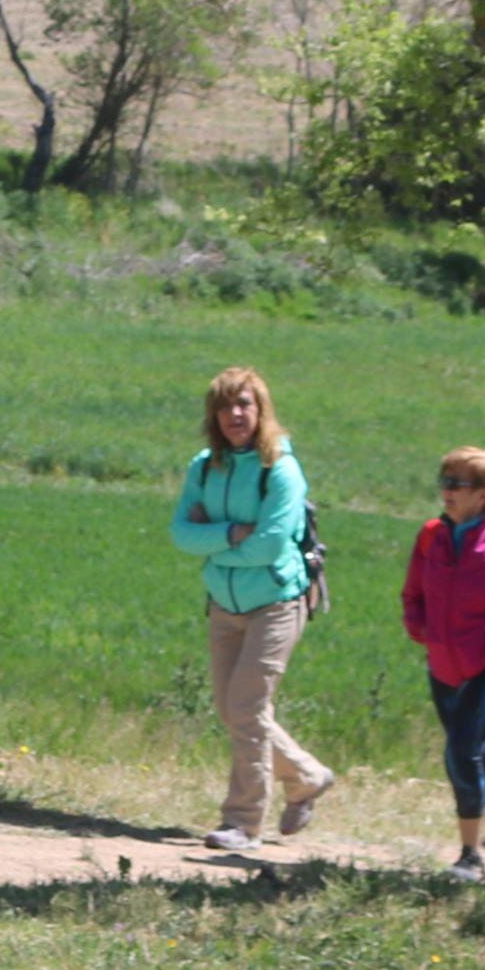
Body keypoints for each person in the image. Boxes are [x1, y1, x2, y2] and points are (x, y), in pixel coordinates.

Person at [170, 366, 334, 854]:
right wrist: (229, 534)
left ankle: (243, 823)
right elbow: (180, 533)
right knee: (233, 709)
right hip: (224, 601)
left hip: (276, 601)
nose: (234, 415)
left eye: (243, 404)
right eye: (224, 406)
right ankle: (307, 776)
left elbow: (268, 546)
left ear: (261, 410)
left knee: (246, 708)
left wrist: (213, 540)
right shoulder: (203, 466)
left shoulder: (279, 469)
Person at [399, 446, 485, 881]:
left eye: (457, 484)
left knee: (461, 750)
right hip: (443, 665)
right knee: (477, 755)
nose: (446, 491)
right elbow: (413, 593)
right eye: (445, 480)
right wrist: (420, 627)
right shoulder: (431, 535)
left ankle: (470, 856)